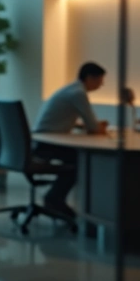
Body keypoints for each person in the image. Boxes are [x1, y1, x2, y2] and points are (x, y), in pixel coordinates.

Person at [32, 61, 109, 218]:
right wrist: (99, 127)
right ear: (90, 78)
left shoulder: (71, 89)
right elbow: (94, 128)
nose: (101, 85)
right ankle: (54, 198)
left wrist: (88, 126)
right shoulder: (78, 94)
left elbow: (81, 123)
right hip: (47, 144)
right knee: (80, 160)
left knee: (76, 158)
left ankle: (55, 197)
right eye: (100, 80)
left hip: (42, 140)